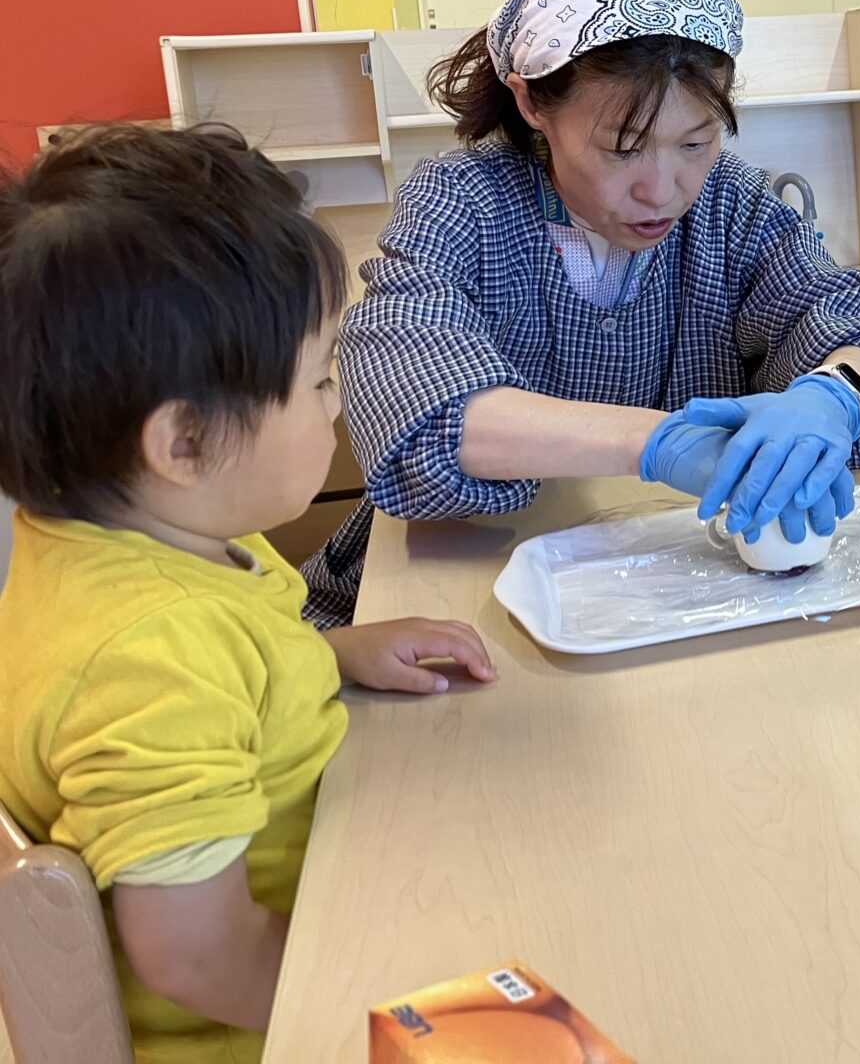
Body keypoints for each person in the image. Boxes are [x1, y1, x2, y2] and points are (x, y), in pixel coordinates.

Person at [0, 126, 495, 1061]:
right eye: (319, 380)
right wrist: (396, 1007)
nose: (336, 404)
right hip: (264, 1027)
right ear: (184, 444)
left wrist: (331, 653)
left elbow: (231, 677)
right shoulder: (152, 659)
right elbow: (197, 955)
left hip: (329, 893)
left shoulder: (125, 542)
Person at [303, 0, 860, 627]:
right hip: (451, 599)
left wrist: (836, 394)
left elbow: (853, 318)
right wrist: (660, 444)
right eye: (623, 149)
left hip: (673, 588)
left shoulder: (730, 205)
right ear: (532, 100)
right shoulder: (461, 203)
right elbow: (414, 402)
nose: (663, 191)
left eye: (695, 143)